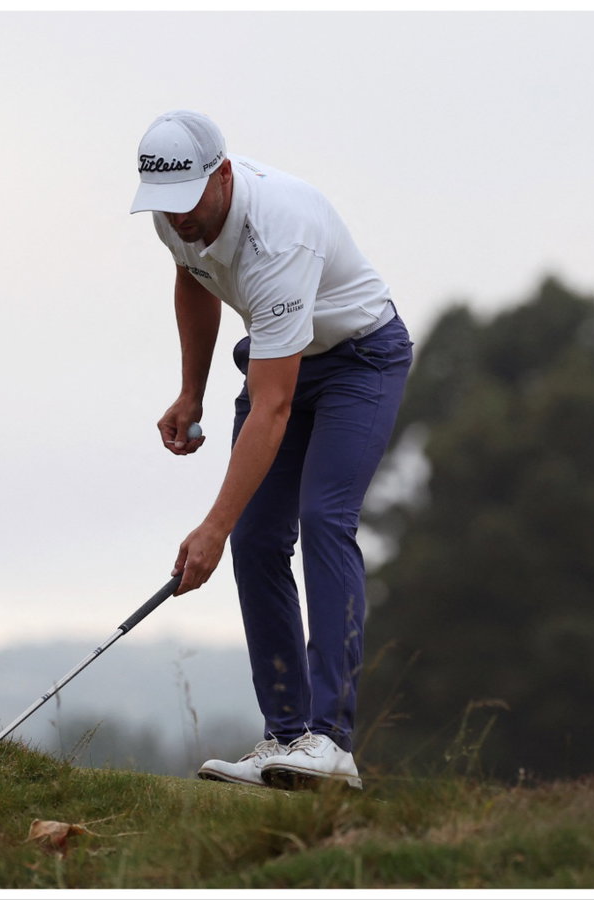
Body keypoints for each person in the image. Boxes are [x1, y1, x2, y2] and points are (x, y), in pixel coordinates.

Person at [129, 110, 412, 789]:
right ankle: (286, 738)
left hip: (360, 362)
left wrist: (211, 527)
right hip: (283, 362)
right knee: (257, 538)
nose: (177, 216)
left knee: (324, 518)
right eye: (164, 203)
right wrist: (191, 391)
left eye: (188, 199)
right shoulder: (176, 214)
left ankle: (331, 744)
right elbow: (192, 277)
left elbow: (274, 407)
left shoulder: (280, 234)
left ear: (223, 176)